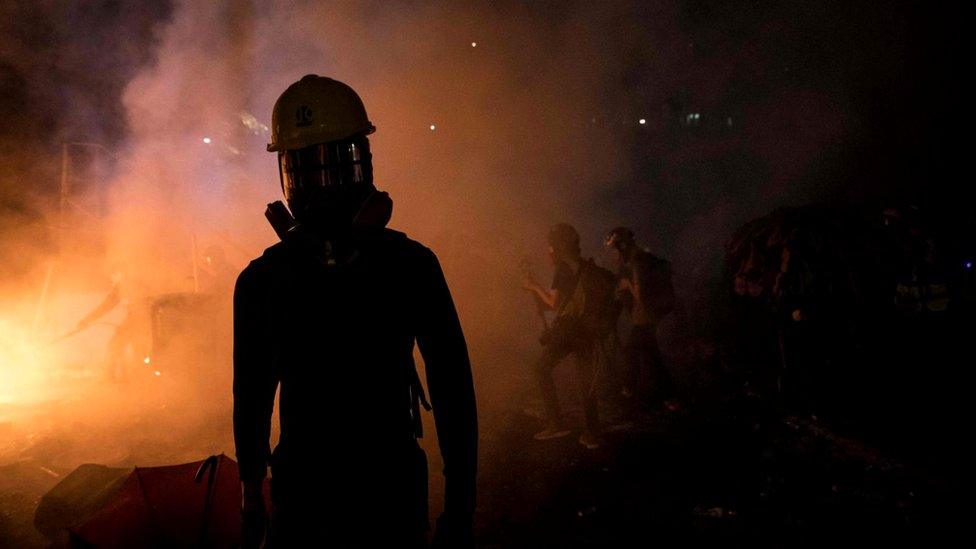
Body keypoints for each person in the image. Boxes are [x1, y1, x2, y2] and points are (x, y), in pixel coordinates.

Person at [233, 75, 477, 548]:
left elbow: (252, 400)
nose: (322, 186)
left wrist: (250, 495)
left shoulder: (262, 279)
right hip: (390, 498)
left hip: (304, 499)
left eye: (330, 168)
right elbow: (453, 394)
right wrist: (460, 506)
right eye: (310, 170)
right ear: (363, 161)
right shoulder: (410, 264)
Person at [522, 223, 611, 449]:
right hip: (587, 330)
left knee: (540, 369)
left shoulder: (563, 268)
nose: (548, 251)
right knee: (585, 380)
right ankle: (593, 434)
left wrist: (533, 287)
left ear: (559, 246)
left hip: (570, 330)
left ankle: (556, 424)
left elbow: (553, 303)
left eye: (551, 246)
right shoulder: (584, 266)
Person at [605, 227, 677, 410]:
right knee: (648, 355)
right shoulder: (637, 260)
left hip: (645, 317)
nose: (612, 254)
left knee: (636, 353)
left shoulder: (636, 263)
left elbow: (640, 294)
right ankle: (665, 396)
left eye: (614, 249)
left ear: (621, 246)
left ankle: (631, 391)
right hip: (645, 316)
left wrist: (625, 284)